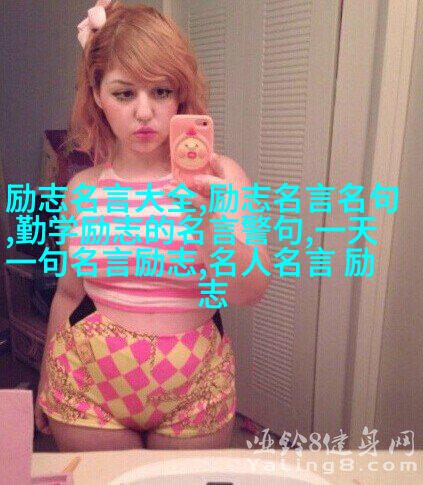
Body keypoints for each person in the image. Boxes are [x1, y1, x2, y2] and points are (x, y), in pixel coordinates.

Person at [35, 0, 271, 452]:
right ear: (98, 95)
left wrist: (210, 220)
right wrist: (47, 373)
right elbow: (68, 294)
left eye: (160, 91)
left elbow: (250, 291)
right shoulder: (81, 190)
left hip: (196, 389)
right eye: (124, 94)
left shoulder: (225, 177)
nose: (144, 112)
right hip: (88, 384)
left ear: (180, 95)